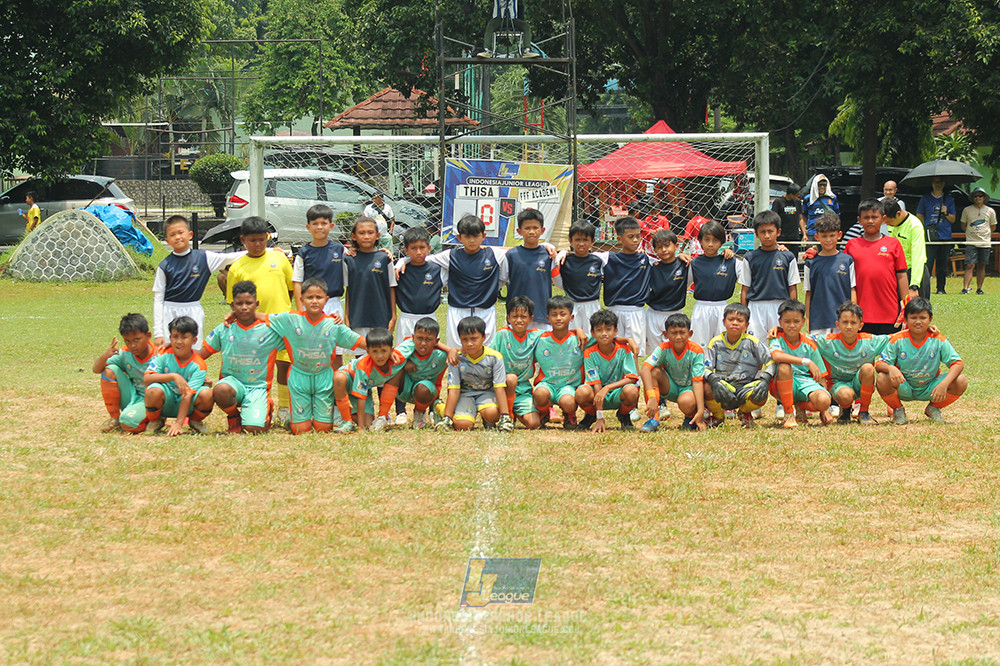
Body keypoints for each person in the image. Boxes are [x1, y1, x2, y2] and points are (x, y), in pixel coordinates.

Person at [266, 278, 366, 434]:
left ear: (326, 300)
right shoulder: (291, 319)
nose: (314, 301)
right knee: (300, 430)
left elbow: (359, 341)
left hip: (323, 377)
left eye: (319, 297)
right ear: (301, 299)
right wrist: (236, 314)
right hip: (299, 376)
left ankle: (318, 416)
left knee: (323, 429)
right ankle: (294, 420)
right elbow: (263, 317)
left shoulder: (333, 324)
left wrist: (388, 350)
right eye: (309, 297)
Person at [225, 216, 295, 427]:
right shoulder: (237, 267)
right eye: (252, 240)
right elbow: (233, 301)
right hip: (255, 329)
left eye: (261, 240)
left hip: (280, 323)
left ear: (267, 238)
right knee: (258, 369)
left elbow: (290, 289)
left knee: (284, 365)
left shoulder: (280, 259)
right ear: (243, 240)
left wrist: (283, 313)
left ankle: (284, 407)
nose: (257, 245)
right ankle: (259, 405)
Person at [199, 281, 283, 435]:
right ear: (232, 305)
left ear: (257, 304)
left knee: (254, 429)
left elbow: (295, 326)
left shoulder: (270, 330)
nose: (244, 307)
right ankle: (234, 416)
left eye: (249, 303)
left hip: (257, 387)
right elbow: (200, 356)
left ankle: (266, 406)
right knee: (220, 389)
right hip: (233, 384)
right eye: (239, 303)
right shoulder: (225, 328)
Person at [152, 215, 243, 350]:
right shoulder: (164, 265)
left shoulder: (204, 258)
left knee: (193, 352)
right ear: (167, 240)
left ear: (190, 235)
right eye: (172, 234)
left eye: (181, 233)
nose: (177, 237)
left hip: (193, 311)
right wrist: (158, 332)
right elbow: (158, 298)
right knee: (169, 352)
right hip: (169, 311)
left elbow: (230, 257)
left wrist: (269, 251)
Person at [875, 297, 966, 424]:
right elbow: (879, 364)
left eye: (923, 318)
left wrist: (944, 384)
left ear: (930, 319)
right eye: (913, 318)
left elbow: (958, 364)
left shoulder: (937, 339)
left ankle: (933, 408)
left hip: (930, 387)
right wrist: (891, 368)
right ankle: (898, 410)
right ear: (905, 320)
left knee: (961, 380)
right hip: (904, 386)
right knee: (882, 378)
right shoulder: (897, 340)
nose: (918, 322)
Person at [813, 302, 888, 426]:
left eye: (853, 323)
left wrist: (925, 331)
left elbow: (896, 339)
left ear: (860, 325)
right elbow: (800, 338)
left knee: (868, 368)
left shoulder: (870, 341)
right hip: (838, 385)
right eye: (845, 322)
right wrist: (778, 330)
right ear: (837, 324)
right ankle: (845, 410)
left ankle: (864, 412)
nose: (849, 326)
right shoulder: (827, 342)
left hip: (860, 383)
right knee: (846, 395)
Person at [702, 304, 774, 428]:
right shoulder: (715, 343)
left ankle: (745, 412)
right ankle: (718, 416)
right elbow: (705, 367)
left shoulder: (753, 342)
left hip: (745, 387)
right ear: (724, 322)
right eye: (731, 319)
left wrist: (765, 379)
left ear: (746, 325)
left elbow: (771, 361)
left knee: (761, 395)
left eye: (740, 320)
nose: (735, 323)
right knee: (706, 386)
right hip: (723, 387)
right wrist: (714, 381)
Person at [142, 316, 214, 436]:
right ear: (170, 338)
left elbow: (187, 395)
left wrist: (179, 423)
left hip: (187, 403)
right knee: (153, 390)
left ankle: (195, 420)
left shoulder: (199, 365)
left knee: (207, 394)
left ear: (194, 340)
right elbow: (147, 379)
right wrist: (173, 376)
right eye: (175, 337)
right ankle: (155, 420)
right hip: (166, 400)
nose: (179, 341)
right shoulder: (163, 354)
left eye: (184, 337)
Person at [438, 316, 514, 431]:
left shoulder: (495, 357)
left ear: (484, 337)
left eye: (474, 339)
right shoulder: (457, 358)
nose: (469, 343)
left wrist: (505, 416)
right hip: (465, 394)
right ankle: (440, 408)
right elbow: (454, 389)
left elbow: (499, 388)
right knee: (462, 425)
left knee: (492, 414)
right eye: (465, 339)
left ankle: (487, 419)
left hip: (487, 393)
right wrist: (447, 418)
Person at [844, 200, 908, 335]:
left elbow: (902, 275)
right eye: (866, 217)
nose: (870, 221)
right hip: (861, 314)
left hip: (889, 314)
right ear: (859, 220)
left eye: (874, 217)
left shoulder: (893, 244)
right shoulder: (852, 245)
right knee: (863, 355)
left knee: (889, 355)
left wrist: (906, 305)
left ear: (883, 219)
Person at [767, 299, 833, 428]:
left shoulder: (809, 343)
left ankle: (800, 407)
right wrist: (806, 361)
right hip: (782, 383)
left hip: (805, 383)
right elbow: (777, 355)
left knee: (824, 400)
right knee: (784, 366)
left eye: (796, 321)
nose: (792, 325)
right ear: (780, 322)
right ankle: (789, 413)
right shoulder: (776, 337)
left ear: (803, 322)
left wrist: (824, 410)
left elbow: (822, 376)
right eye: (787, 322)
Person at [737, 209, 800, 340]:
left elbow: (792, 287)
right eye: (762, 232)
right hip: (756, 308)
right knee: (756, 346)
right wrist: (744, 315)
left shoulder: (787, 257)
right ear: (756, 234)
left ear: (778, 232)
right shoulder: (750, 258)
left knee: (778, 346)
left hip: (780, 306)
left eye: (770, 231)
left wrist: (792, 313)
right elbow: (745, 289)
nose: (767, 236)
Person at [639, 313, 706, 432]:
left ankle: (690, 416)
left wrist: (700, 411)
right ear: (666, 334)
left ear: (690, 334)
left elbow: (697, 382)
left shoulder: (696, 351)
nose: (678, 337)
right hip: (671, 387)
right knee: (653, 372)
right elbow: (644, 369)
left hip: (688, 389)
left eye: (682, 332)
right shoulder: (663, 348)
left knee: (686, 402)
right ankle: (653, 419)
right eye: (674, 333)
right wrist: (652, 397)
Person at [93, 313, 159, 433]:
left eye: (137, 339)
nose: (132, 345)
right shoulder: (125, 353)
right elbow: (96, 369)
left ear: (148, 336)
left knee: (128, 425)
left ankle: (155, 419)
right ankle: (114, 419)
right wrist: (105, 355)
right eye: (127, 341)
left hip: (153, 400)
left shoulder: (159, 355)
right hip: (134, 396)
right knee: (109, 370)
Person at [577, 309, 641, 432]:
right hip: (597, 393)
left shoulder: (623, 349)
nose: (604, 334)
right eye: (599, 330)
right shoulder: (589, 353)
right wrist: (600, 416)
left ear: (615, 331)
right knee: (581, 392)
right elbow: (596, 383)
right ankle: (592, 415)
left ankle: (623, 415)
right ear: (593, 333)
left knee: (632, 391)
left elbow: (632, 377)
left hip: (617, 393)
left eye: (608, 329)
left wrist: (607, 388)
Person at [334, 328, 407, 432]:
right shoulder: (363, 367)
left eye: (384, 351)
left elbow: (411, 342)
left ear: (391, 350)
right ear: (367, 351)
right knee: (339, 378)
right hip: (350, 379)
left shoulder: (397, 357)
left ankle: (344, 412)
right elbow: (361, 398)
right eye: (375, 351)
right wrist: (360, 428)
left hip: (364, 387)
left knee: (368, 423)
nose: (379, 355)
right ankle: (347, 421)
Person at [532, 296, 588, 429]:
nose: (558, 318)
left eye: (563, 314)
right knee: (540, 394)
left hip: (568, 387)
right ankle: (544, 413)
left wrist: (627, 340)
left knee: (568, 402)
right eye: (554, 315)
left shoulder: (580, 339)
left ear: (571, 317)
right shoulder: (540, 338)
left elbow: (603, 338)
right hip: (547, 384)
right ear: (547, 319)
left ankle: (569, 415)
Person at [599, 217, 651, 356]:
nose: (635, 240)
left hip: (636, 311)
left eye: (638, 236)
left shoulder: (645, 259)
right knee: (613, 350)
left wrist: (682, 256)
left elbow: (666, 260)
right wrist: (560, 252)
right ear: (620, 239)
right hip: (614, 310)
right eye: (631, 237)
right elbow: (585, 256)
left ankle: (635, 378)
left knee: (634, 352)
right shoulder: (608, 258)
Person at [344, 216, 397, 343]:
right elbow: (348, 291)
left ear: (378, 235)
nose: (366, 236)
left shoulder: (384, 258)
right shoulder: (349, 260)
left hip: (381, 317)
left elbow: (391, 288)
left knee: (381, 356)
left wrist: (393, 316)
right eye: (361, 233)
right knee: (360, 359)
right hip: (358, 318)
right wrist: (347, 318)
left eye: (370, 233)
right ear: (353, 236)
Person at [803, 212, 856, 337]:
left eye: (832, 235)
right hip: (818, 321)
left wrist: (853, 316)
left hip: (843, 321)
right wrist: (809, 319)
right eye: (824, 236)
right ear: (817, 237)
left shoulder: (847, 261)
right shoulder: (811, 263)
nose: (828, 240)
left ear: (839, 235)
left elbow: (852, 290)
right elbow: (808, 293)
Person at [502, 209, 556, 330]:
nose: (531, 232)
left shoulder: (548, 255)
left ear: (542, 230)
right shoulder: (511, 255)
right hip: (517, 316)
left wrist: (561, 252)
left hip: (542, 314)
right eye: (527, 228)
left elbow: (558, 280)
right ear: (519, 231)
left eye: (535, 228)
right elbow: (501, 280)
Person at [495, 296, 543, 429]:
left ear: (531, 319)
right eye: (515, 316)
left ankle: (517, 411)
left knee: (534, 423)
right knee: (511, 378)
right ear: (508, 318)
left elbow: (557, 335)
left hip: (523, 390)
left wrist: (577, 331)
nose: (519, 320)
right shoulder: (502, 335)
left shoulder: (536, 336)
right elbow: (490, 357)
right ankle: (508, 415)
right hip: (502, 387)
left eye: (523, 316)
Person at [394, 317, 452, 429]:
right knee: (395, 368)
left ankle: (419, 413)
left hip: (426, 392)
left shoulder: (441, 356)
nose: (423, 343)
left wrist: (451, 350)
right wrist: (404, 363)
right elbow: (391, 356)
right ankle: (387, 414)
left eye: (428, 340)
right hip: (405, 389)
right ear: (413, 338)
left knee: (422, 388)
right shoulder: (407, 346)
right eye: (419, 338)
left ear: (436, 341)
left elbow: (461, 354)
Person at [292, 203, 347, 321]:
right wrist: (301, 311)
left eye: (324, 223)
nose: (320, 227)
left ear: (331, 226)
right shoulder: (304, 252)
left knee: (333, 338)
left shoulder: (340, 250)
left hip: (333, 304)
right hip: (311, 304)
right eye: (315, 224)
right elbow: (297, 282)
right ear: (308, 227)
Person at [689, 220, 738, 347]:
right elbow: (683, 284)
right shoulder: (694, 263)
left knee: (723, 345)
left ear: (722, 242)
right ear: (700, 241)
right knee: (700, 346)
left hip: (722, 308)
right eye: (707, 240)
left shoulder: (730, 262)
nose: (710, 244)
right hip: (701, 309)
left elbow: (749, 276)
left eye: (715, 240)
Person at [554, 222, 604, 336]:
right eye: (577, 240)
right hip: (572, 306)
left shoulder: (598, 261)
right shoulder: (565, 261)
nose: (581, 243)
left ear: (592, 241)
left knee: (593, 337)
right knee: (573, 338)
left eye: (585, 240)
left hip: (592, 305)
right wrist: (563, 252)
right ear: (570, 241)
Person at [645, 229, 688, 354]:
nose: (663, 250)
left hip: (675, 313)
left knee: (676, 351)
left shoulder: (685, 265)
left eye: (667, 245)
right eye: (659, 247)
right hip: (654, 314)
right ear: (655, 250)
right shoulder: (652, 267)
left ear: (676, 246)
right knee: (655, 352)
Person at [915, 176, 956, 294]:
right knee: (928, 263)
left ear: (943, 184)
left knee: (942, 264)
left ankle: (941, 288)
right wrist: (924, 229)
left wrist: (946, 212)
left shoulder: (949, 199)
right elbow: (919, 215)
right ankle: (924, 288)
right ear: (932, 184)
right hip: (930, 236)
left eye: (939, 182)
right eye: (935, 182)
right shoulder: (925, 198)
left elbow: (953, 219)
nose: (937, 185)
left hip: (945, 236)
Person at [883, 197, 929, 299]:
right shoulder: (892, 223)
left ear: (898, 214)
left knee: (917, 312)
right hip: (897, 273)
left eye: (889, 222)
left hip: (914, 272)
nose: (887, 225)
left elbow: (918, 256)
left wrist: (914, 285)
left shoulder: (915, 226)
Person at [960, 186, 996, 294]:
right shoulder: (967, 210)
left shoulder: (990, 211)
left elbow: (993, 226)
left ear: (984, 197)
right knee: (969, 265)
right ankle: (965, 288)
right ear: (973, 198)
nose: (978, 198)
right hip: (971, 242)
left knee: (982, 265)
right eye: (975, 196)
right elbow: (963, 225)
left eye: (980, 196)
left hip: (985, 243)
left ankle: (979, 288)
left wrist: (985, 234)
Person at [770, 181, 807, 249]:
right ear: (790, 195)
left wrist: (804, 234)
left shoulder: (797, 202)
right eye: (796, 195)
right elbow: (774, 220)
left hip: (794, 237)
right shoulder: (778, 202)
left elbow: (800, 218)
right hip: (782, 237)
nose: (797, 197)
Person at [802, 174, 840, 240]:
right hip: (813, 233)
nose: (822, 187)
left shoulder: (832, 198)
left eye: (824, 185)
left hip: (828, 233)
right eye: (819, 185)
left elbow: (837, 215)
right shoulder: (808, 198)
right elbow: (804, 216)